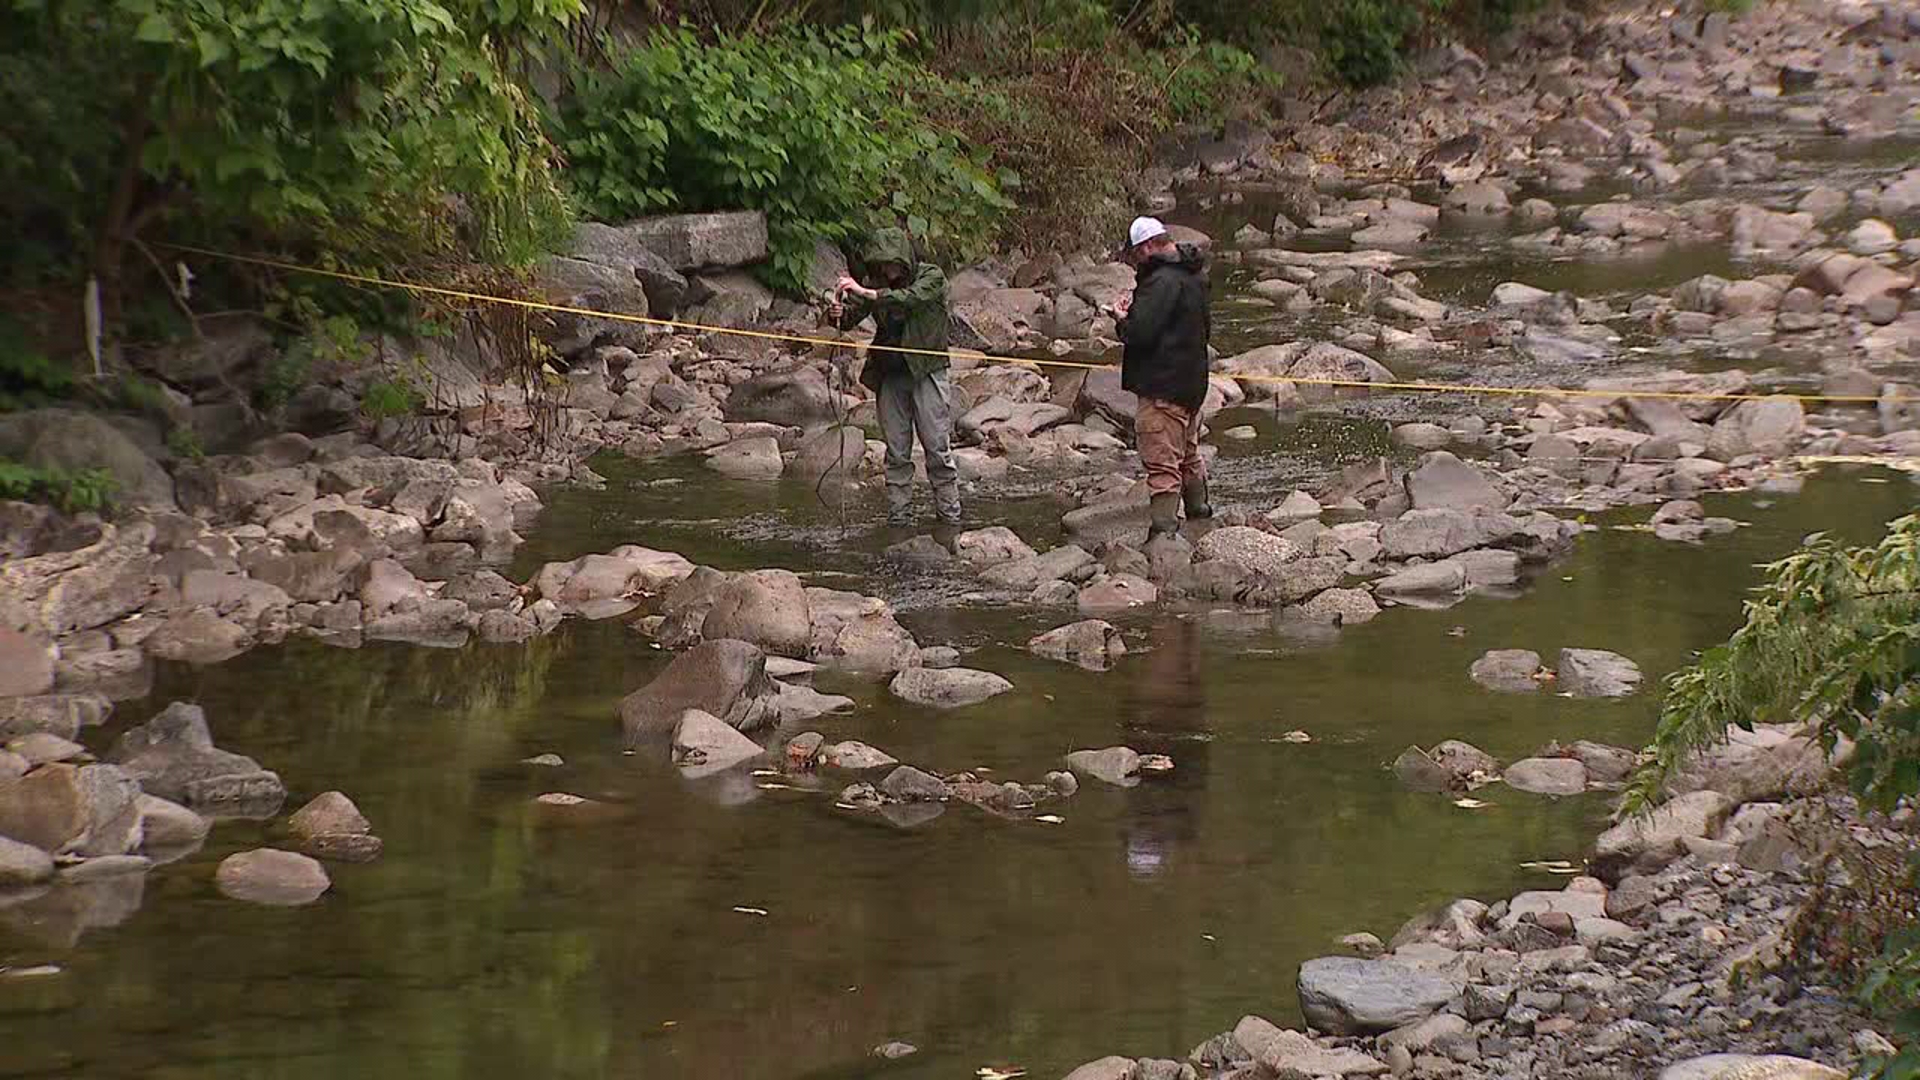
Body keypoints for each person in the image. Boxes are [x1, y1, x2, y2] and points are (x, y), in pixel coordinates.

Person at [829, 226, 962, 527]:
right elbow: (850, 319)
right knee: (896, 453)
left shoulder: (931, 277)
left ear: (904, 260)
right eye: (882, 264)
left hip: (927, 372)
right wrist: (837, 311)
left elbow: (909, 299)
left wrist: (866, 292)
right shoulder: (874, 283)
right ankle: (899, 521)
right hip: (890, 374)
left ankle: (951, 520)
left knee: (937, 449)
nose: (887, 270)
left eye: (892, 264)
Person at [1115, 216, 1211, 541]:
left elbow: (1140, 334)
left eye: (1135, 253)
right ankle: (1200, 521)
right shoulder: (1193, 274)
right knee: (1189, 455)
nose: (1134, 260)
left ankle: (1163, 538)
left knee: (1162, 464)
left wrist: (1121, 318)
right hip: (1191, 386)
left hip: (1162, 388)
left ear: (1145, 247)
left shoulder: (1161, 281)